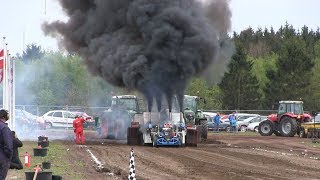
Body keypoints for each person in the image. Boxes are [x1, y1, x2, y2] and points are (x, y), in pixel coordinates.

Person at [0, 109, 13, 180]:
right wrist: (9, 157)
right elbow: (8, 145)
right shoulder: (4, 128)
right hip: (2, 158)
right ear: (4, 116)